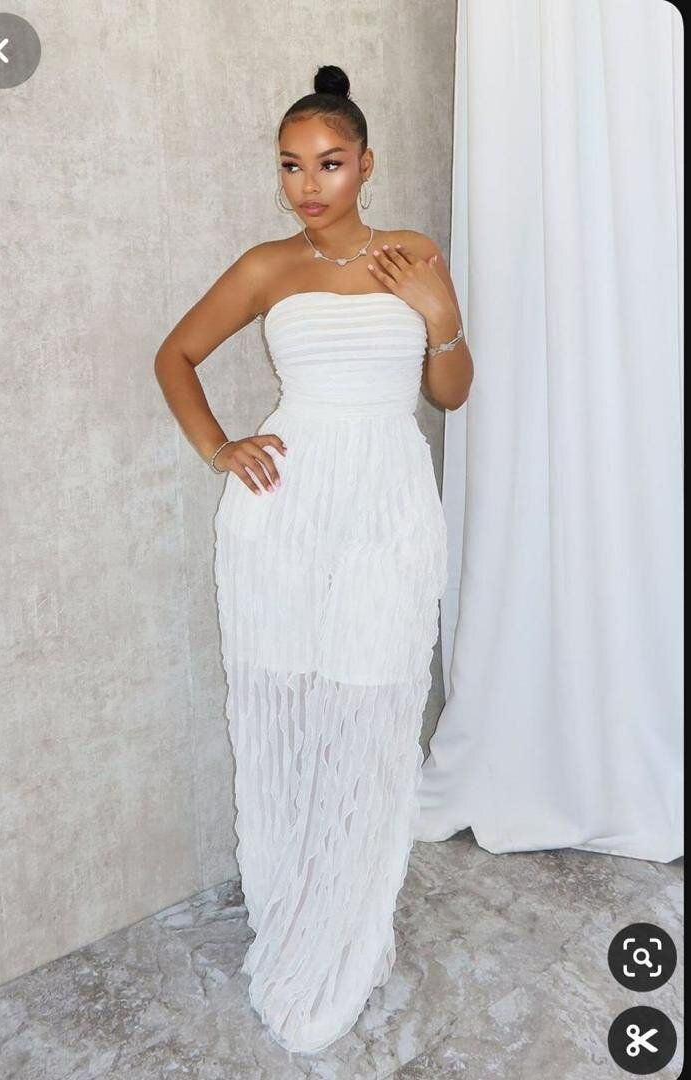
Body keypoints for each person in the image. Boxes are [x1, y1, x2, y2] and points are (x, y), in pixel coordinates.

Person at [154, 63, 473, 1057]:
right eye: (291, 165)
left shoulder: (413, 254)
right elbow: (174, 355)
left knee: (368, 706)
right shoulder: (265, 265)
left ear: (365, 164)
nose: (308, 184)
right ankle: (295, 903)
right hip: (282, 515)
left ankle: (348, 916)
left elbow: (451, 393)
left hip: (385, 505)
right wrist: (220, 447)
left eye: (329, 163)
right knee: (285, 701)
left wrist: (439, 315)